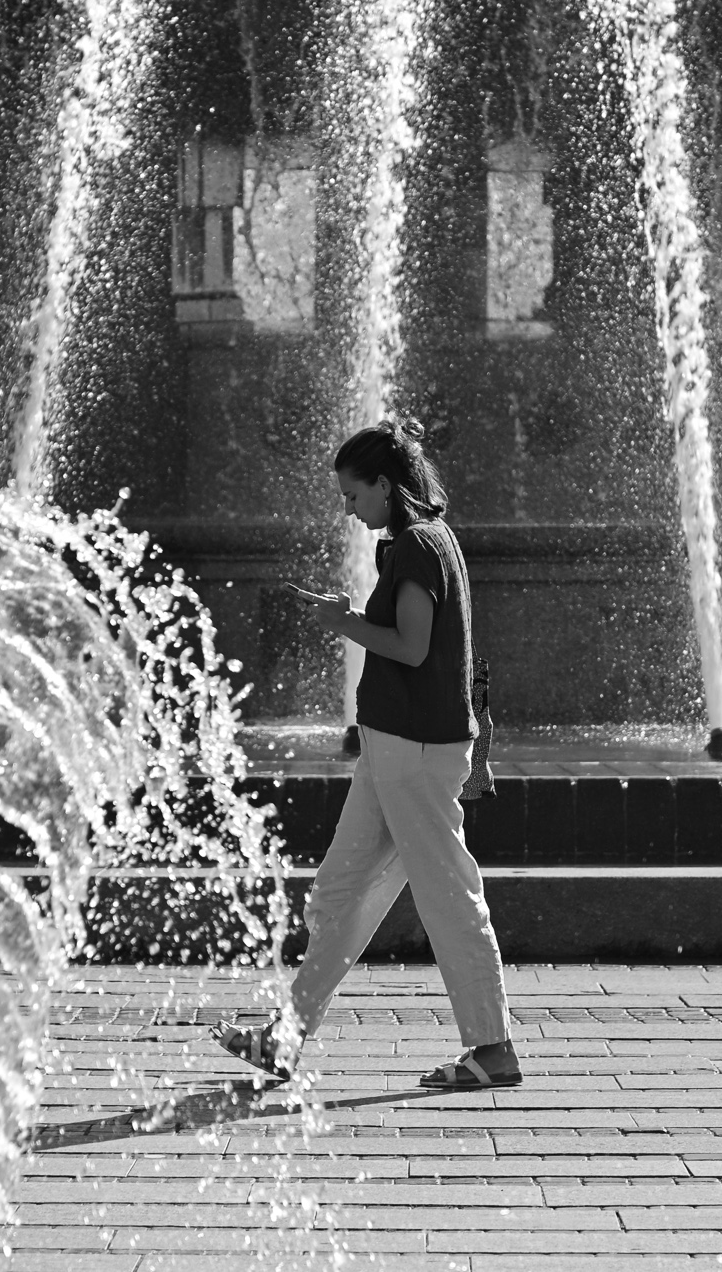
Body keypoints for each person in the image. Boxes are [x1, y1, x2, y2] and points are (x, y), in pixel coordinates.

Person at [213, 419, 522, 1090]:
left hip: (415, 749)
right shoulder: (422, 541)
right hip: (396, 747)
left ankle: (492, 1047)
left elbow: (411, 646)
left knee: (448, 895)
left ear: (385, 485)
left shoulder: (417, 546)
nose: (348, 509)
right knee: (340, 890)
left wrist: (342, 620)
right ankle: (285, 1038)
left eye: (354, 495)